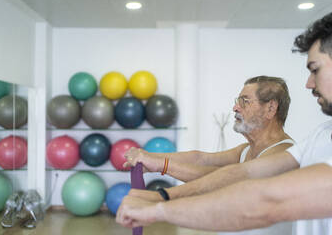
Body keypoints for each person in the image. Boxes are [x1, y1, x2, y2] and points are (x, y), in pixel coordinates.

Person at [116, 8, 332, 235]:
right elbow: (235, 172)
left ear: (271, 108)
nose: (309, 84)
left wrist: (158, 208)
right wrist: (157, 172)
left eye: (315, 69)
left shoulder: (285, 147)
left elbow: (264, 200)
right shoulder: (322, 134)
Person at [124, 75, 294, 183]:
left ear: (271, 108)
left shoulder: (283, 154)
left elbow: (219, 179)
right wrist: (147, 156)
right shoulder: (246, 150)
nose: (235, 107)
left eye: (244, 101)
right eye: (237, 101)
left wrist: (161, 165)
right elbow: (200, 159)